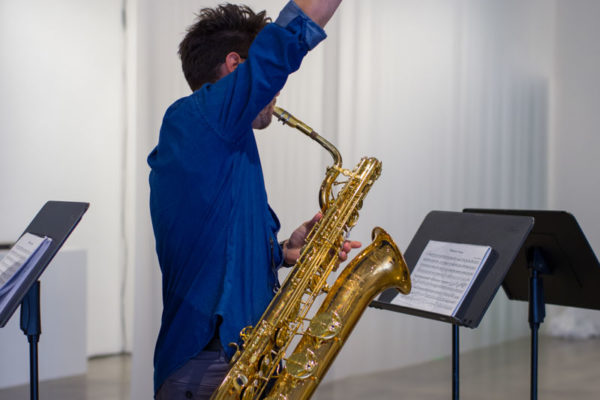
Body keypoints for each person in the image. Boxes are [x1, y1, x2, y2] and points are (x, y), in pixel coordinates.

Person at [147, 1, 358, 398]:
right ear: (234, 65)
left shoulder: (221, 140)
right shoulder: (199, 118)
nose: (276, 92)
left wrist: (282, 252)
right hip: (213, 369)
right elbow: (285, 43)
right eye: (265, 80)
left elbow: (214, 250)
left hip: (234, 362)